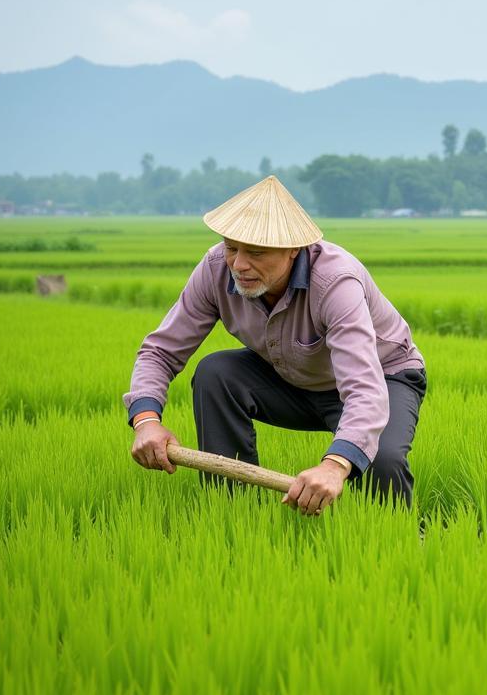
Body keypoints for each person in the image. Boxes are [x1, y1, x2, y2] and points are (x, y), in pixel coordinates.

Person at [125, 176, 426, 514]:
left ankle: (399, 538)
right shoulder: (215, 269)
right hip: (292, 377)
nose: (238, 264)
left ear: (293, 250)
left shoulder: (335, 281)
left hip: (382, 377)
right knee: (216, 372)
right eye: (231, 247)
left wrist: (336, 465)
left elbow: (364, 388)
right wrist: (146, 421)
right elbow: (160, 351)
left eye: (256, 252)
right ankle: (233, 514)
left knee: (380, 459)